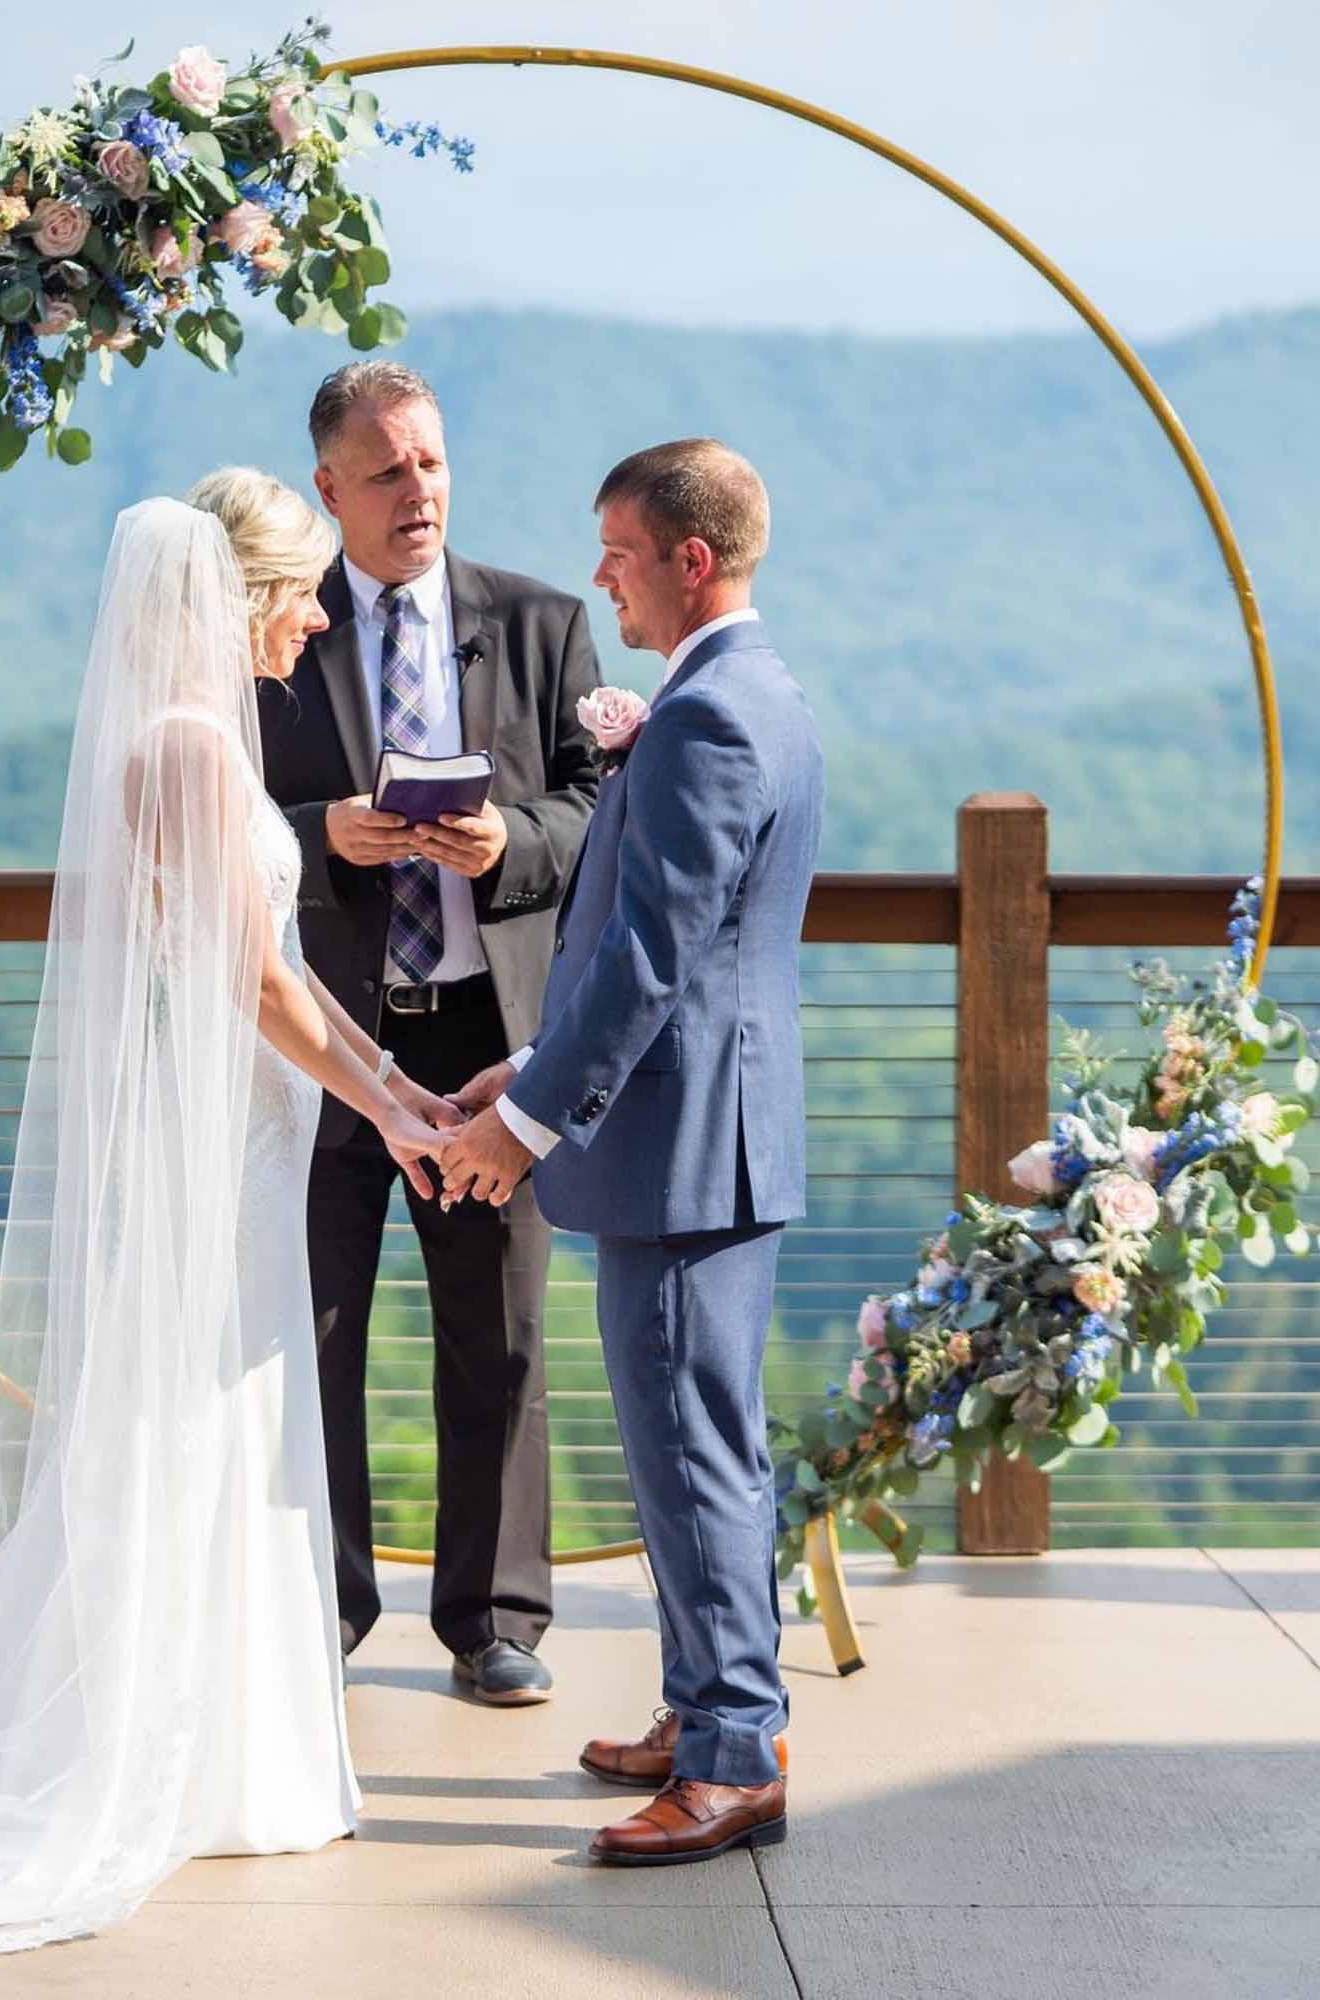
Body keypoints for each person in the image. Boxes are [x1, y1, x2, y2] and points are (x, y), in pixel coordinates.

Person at [0, 486, 451, 1985]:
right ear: (234, 595)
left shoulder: (192, 740)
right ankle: (171, 1750)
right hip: (219, 1157)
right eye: (299, 594)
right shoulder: (184, 749)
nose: (315, 620)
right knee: (197, 1426)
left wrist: (395, 1097)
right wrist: (394, 1107)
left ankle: (225, 1740)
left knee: (231, 1423)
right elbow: (258, 986)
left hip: (243, 1139)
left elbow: (270, 983)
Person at [441, 440, 824, 1864]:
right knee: (688, 1440)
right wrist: (529, 1062)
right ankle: (703, 1705)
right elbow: (665, 944)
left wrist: (520, 1126)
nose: (599, 574)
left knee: (691, 1448)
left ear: (689, 559)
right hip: (695, 1131)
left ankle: (733, 1755)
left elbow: (653, 956)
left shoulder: (714, 717)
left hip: (686, 1150)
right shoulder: (738, 693)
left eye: (616, 550)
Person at [257, 362, 600, 1704]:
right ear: (329, 487)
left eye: (434, 463)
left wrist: (507, 839)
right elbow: (206, 811)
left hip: (487, 1033)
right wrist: (319, 838)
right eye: (388, 469)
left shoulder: (538, 621)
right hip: (322, 1036)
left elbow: (593, 812)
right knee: (312, 1326)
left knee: (500, 1337)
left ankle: (495, 1620)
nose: (419, 491)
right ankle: (317, 1608)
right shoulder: (278, 628)